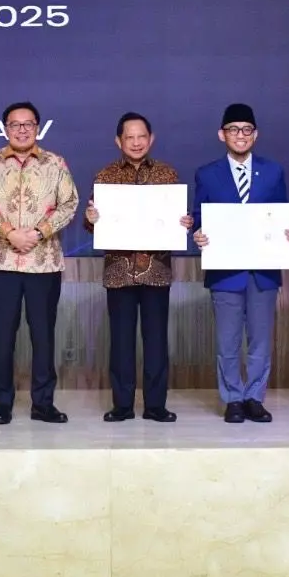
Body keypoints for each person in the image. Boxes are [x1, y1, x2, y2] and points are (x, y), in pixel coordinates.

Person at [0, 101, 79, 425]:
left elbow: (69, 203)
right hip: (2, 262)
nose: (21, 130)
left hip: (43, 262)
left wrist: (38, 232)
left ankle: (43, 404)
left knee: (43, 336)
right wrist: (10, 234)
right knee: (2, 335)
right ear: (6, 128)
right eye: (15, 125)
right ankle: (2, 403)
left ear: (37, 128)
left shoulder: (55, 163)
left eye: (28, 124)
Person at [83, 112, 192, 423]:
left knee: (156, 341)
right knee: (121, 342)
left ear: (151, 139)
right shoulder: (105, 176)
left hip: (156, 271)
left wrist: (184, 222)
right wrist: (91, 219)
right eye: (129, 137)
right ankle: (122, 405)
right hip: (119, 272)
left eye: (141, 136)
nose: (135, 142)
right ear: (118, 141)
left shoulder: (167, 174)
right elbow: (92, 226)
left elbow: (179, 220)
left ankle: (155, 405)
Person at [191, 103, 289, 423]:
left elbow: (281, 215)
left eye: (247, 129)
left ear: (256, 134)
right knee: (228, 341)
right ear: (221, 134)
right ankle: (233, 398)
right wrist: (198, 234)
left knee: (261, 340)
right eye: (233, 129)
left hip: (263, 270)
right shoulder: (207, 173)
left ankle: (254, 397)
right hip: (225, 271)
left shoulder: (273, 171)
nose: (240, 135)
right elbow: (199, 217)